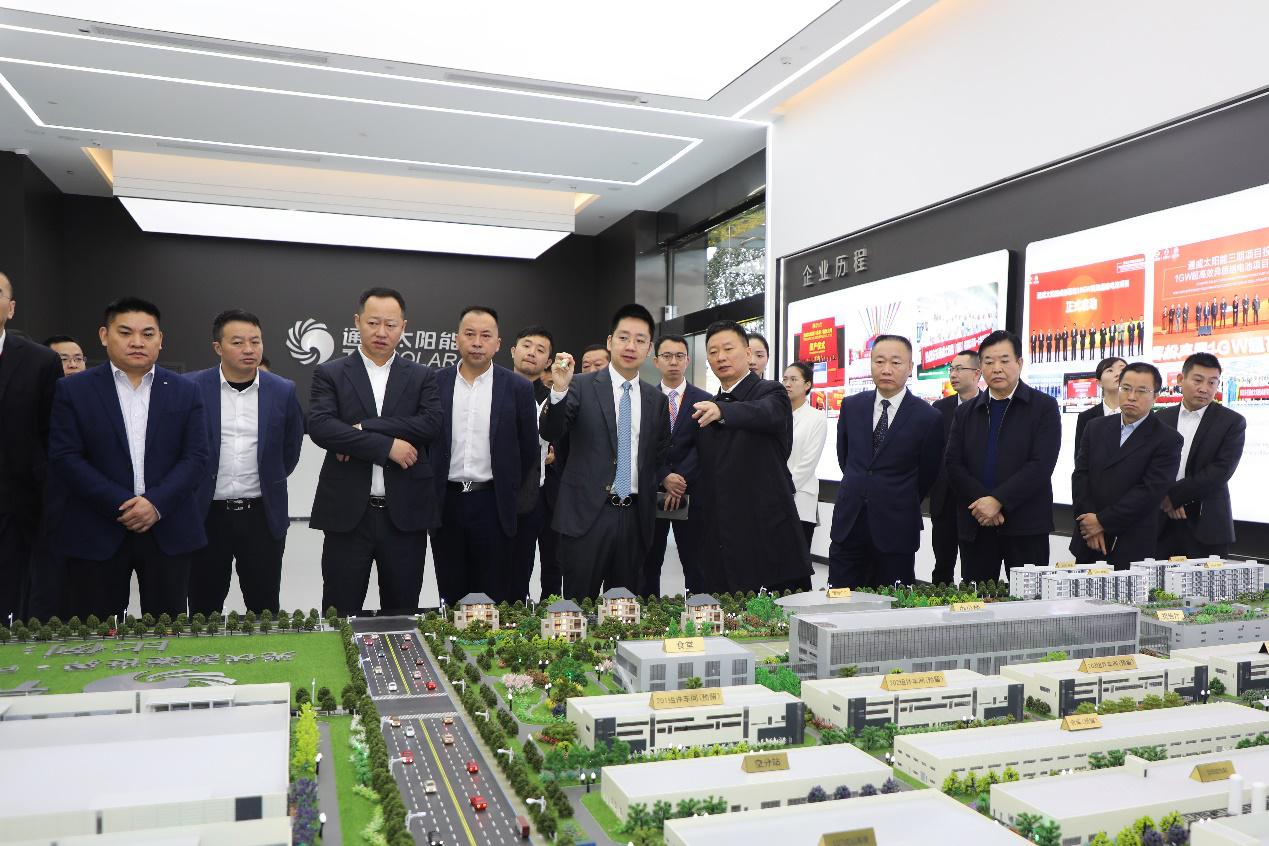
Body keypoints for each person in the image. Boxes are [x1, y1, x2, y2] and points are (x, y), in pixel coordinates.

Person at [49, 297, 208, 620]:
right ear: (104, 335)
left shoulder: (185, 390)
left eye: (148, 334)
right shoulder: (73, 389)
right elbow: (66, 457)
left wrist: (155, 504)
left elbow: (196, 456)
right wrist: (122, 504)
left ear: (160, 339)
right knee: (97, 631)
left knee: (169, 629)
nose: (137, 342)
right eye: (125, 333)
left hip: (168, 527)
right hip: (97, 527)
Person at [308, 287, 441, 616]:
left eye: (391, 325)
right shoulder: (331, 372)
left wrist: (363, 428)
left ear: (403, 327)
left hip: (405, 516)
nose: (382, 332)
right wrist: (387, 446)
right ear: (357, 322)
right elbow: (322, 426)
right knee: (340, 613)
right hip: (348, 515)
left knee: (402, 615)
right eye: (373, 323)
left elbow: (430, 426)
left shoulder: (422, 376)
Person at [541, 304, 671, 599]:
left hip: (635, 518)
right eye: (624, 337)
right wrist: (558, 392)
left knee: (624, 608)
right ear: (610, 341)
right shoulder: (579, 385)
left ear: (649, 348)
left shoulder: (657, 400)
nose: (631, 346)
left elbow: (657, 457)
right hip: (586, 516)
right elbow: (551, 432)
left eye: (640, 340)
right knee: (578, 607)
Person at [186, 310, 305, 616]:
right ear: (218, 347)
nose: (249, 349)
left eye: (255, 341)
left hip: (261, 517)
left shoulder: (283, 390)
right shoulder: (191, 387)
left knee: (264, 609)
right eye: (238, 342)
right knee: (203, 608)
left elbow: (289, 452)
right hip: (206, 514)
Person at [428, 307, 538, 607]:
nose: (477, 342)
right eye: (470, 334)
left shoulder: (518, 388)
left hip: (494, 504)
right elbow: (425, 441)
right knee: (451, 594)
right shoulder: (434, 383)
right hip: (447, 503)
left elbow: (528, 448)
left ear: (498, 344)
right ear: (456, 339)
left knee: (494, 597)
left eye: (485, 336)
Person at [693, 320, 812, 594]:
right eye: (713, 352)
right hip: (721, 538)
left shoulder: (771, 392)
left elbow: (768, 413)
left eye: (728, 349)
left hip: (765, 531)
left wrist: (724, 412)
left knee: (773, 614)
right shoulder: (709, 406)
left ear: (747, 353)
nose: (720, 357)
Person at [945, 330, 1061, 581]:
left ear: (1019, 363)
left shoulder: (1043, 406)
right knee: (977, 597)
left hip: (1026, 524)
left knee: (1030, 598)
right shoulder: (965, 412)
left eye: (1004, 360)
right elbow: (953, 465)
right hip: (977, 522)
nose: (996, 368)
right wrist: (983, 503)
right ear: (981, 368)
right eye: (989, 362)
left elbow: (1041, 465)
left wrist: (998, 501)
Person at [829, 335, 943, 588]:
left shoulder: (928, 417)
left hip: (896, 525)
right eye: (879, 361)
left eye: (896, 362)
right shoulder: (851, 405)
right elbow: (845, 457)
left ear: (910, 367)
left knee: (892, 601)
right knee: (839, 596)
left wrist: (895, 495)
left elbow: (928, 473)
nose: (886, 369)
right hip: (849, 522)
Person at [1071, 363, 1181, 568]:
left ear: (1156, 396)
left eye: (1141, 391)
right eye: (1126, 389)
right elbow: (1080, 476)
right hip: (1088, 540)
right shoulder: (1095, 427)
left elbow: (1150, 491)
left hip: (1132, 542)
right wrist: (1088, 524)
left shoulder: (1167, 438)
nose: (1131, 397)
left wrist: (1102, 522)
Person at [0, 273, 63, 623]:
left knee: (12, 602)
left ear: (10, 308)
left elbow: (51, 432)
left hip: (16, 501)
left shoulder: (40, 361)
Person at [636, 334, 711, 596]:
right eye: (667, 356)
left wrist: (679, 480)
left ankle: (698, 611)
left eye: (679, 356)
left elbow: (704, 446)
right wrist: (664, 476)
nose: (673, 362)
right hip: (651, 491)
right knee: (648, 563)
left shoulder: (705, 399)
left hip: (691, 491)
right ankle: (649, 613)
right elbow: (640, 443)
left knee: (696, 563)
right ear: (656, 361)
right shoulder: (643, 397)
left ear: (687, 361)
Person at [1156, 352, 1247, 559]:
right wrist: (1164, 497)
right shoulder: (1160, 418)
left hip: (1206, 524)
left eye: (1212, 382)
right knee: (1156, 579)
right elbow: (1149, 464)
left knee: (1206, 580)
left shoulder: (1232, 422)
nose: (1204, 388)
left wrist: (1174, 497)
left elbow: (1221, 470)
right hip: (1160, 522)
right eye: (1197, 380)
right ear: (1181, 379)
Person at [508, 324, 558, 603]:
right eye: (526, 346)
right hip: (494, 491)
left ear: (548, 362)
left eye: (540, 350)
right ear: (513, 351)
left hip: (539, 493)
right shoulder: (494, 390)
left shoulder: (554, 399)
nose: (531, 353)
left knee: (530, 565)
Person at [929, 350, 981, 586]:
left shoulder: (988, 405)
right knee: (942, 566)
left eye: (960, 369)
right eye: (951, 369)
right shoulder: (940, 408)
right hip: (945, 498)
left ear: (977, 373)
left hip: (976, 499)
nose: (953, 374)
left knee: (974, 569)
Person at [785, 361, 828, 553]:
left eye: (794, 379)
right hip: (773, 499)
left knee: (797, 559)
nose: (788, 384)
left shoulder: (816, 418)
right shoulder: (777, 415)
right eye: (785, 379)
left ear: (807, 385)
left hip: (800, 497)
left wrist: (783, 489)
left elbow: (808, 463)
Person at [1073, 357, 1126, 455]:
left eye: (1122, 369)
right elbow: (1080, 457)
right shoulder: (1086, 417)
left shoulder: (1139, 414)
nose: (1118, 374)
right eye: (1110, 370)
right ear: (1099, 382)